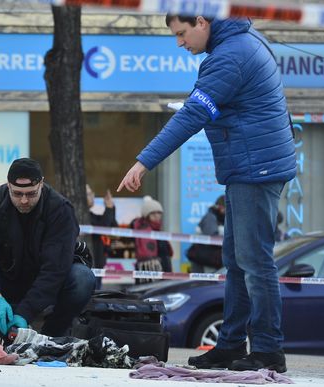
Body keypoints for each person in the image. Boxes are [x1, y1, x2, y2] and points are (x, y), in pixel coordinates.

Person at [117, 14, 296, 373]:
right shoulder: (243, 41)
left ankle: (267, 350)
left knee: (255, 263)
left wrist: (144, 162)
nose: (180, 43)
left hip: (254, 170)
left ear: (201, 21)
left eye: (182, 34)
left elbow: (192, 114)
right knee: (236, 261)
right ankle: (230, 344)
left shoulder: (230, 56)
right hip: (250, 167)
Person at [0, 158, 96, 337]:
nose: (23, 200)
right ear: (8, 185)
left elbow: (55, 269)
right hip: (7, 280)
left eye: (31, 194)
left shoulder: (60, 209)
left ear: (41, 184)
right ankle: (12, 331)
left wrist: (25, 311)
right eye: (17, 193)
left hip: (49, 284)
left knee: (83, 278)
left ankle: (50, 334)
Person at [130, 196, 173, 283]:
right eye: (153, 213)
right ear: (147, 215)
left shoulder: (159, 230)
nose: (157, 216)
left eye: (159, 213)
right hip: (149, 274)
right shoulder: (141, 231)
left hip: (163, 272)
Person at [86, 184, 117, 289]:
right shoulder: (81, 216)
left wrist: (111, 207)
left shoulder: (91, 215)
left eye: (92, 193)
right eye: (89, 194)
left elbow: (112, 227)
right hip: (88, 268)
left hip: (97, 266)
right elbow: (103, 227)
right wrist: (108, 209)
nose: (92, 196)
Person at [188, 195, 225, 273]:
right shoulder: (210, 218)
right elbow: (213, 240)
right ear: (220, 207)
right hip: (206, 263)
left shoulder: (220, 219)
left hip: (211, 262)